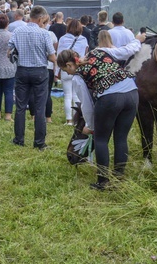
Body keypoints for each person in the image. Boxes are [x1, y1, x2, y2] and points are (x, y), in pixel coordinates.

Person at [56, 29, 144, 190]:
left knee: (101, 139)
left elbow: (87, 105)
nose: (66, 73)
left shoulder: (77, 77)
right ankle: (118, 178)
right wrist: (137, 40)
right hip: (132, 93)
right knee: (121, 138)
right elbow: (127, 51)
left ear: (69, 64)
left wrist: (91, 125)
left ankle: (103, 182)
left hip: (110, 98)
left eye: (64, 70)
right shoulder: (100, 51)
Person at [9, 5, 56, 149]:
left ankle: (19, 139)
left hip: (22, 70)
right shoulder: (44, 34)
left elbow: (9, 52)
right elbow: (52, 56)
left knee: (21, 107)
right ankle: (39, 142)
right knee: (40, 108)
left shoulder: (17, 31)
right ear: (41, 18)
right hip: (40, 71)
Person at [57, 19, 90, 125]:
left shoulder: (63, 39)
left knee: (67, 95)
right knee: (77, 95)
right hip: (77, 68)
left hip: (65, 68)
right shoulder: (84, 39)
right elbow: (86, 54)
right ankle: (77, 119)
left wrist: (57, 71)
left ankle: (69, 119)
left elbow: (59, 55)